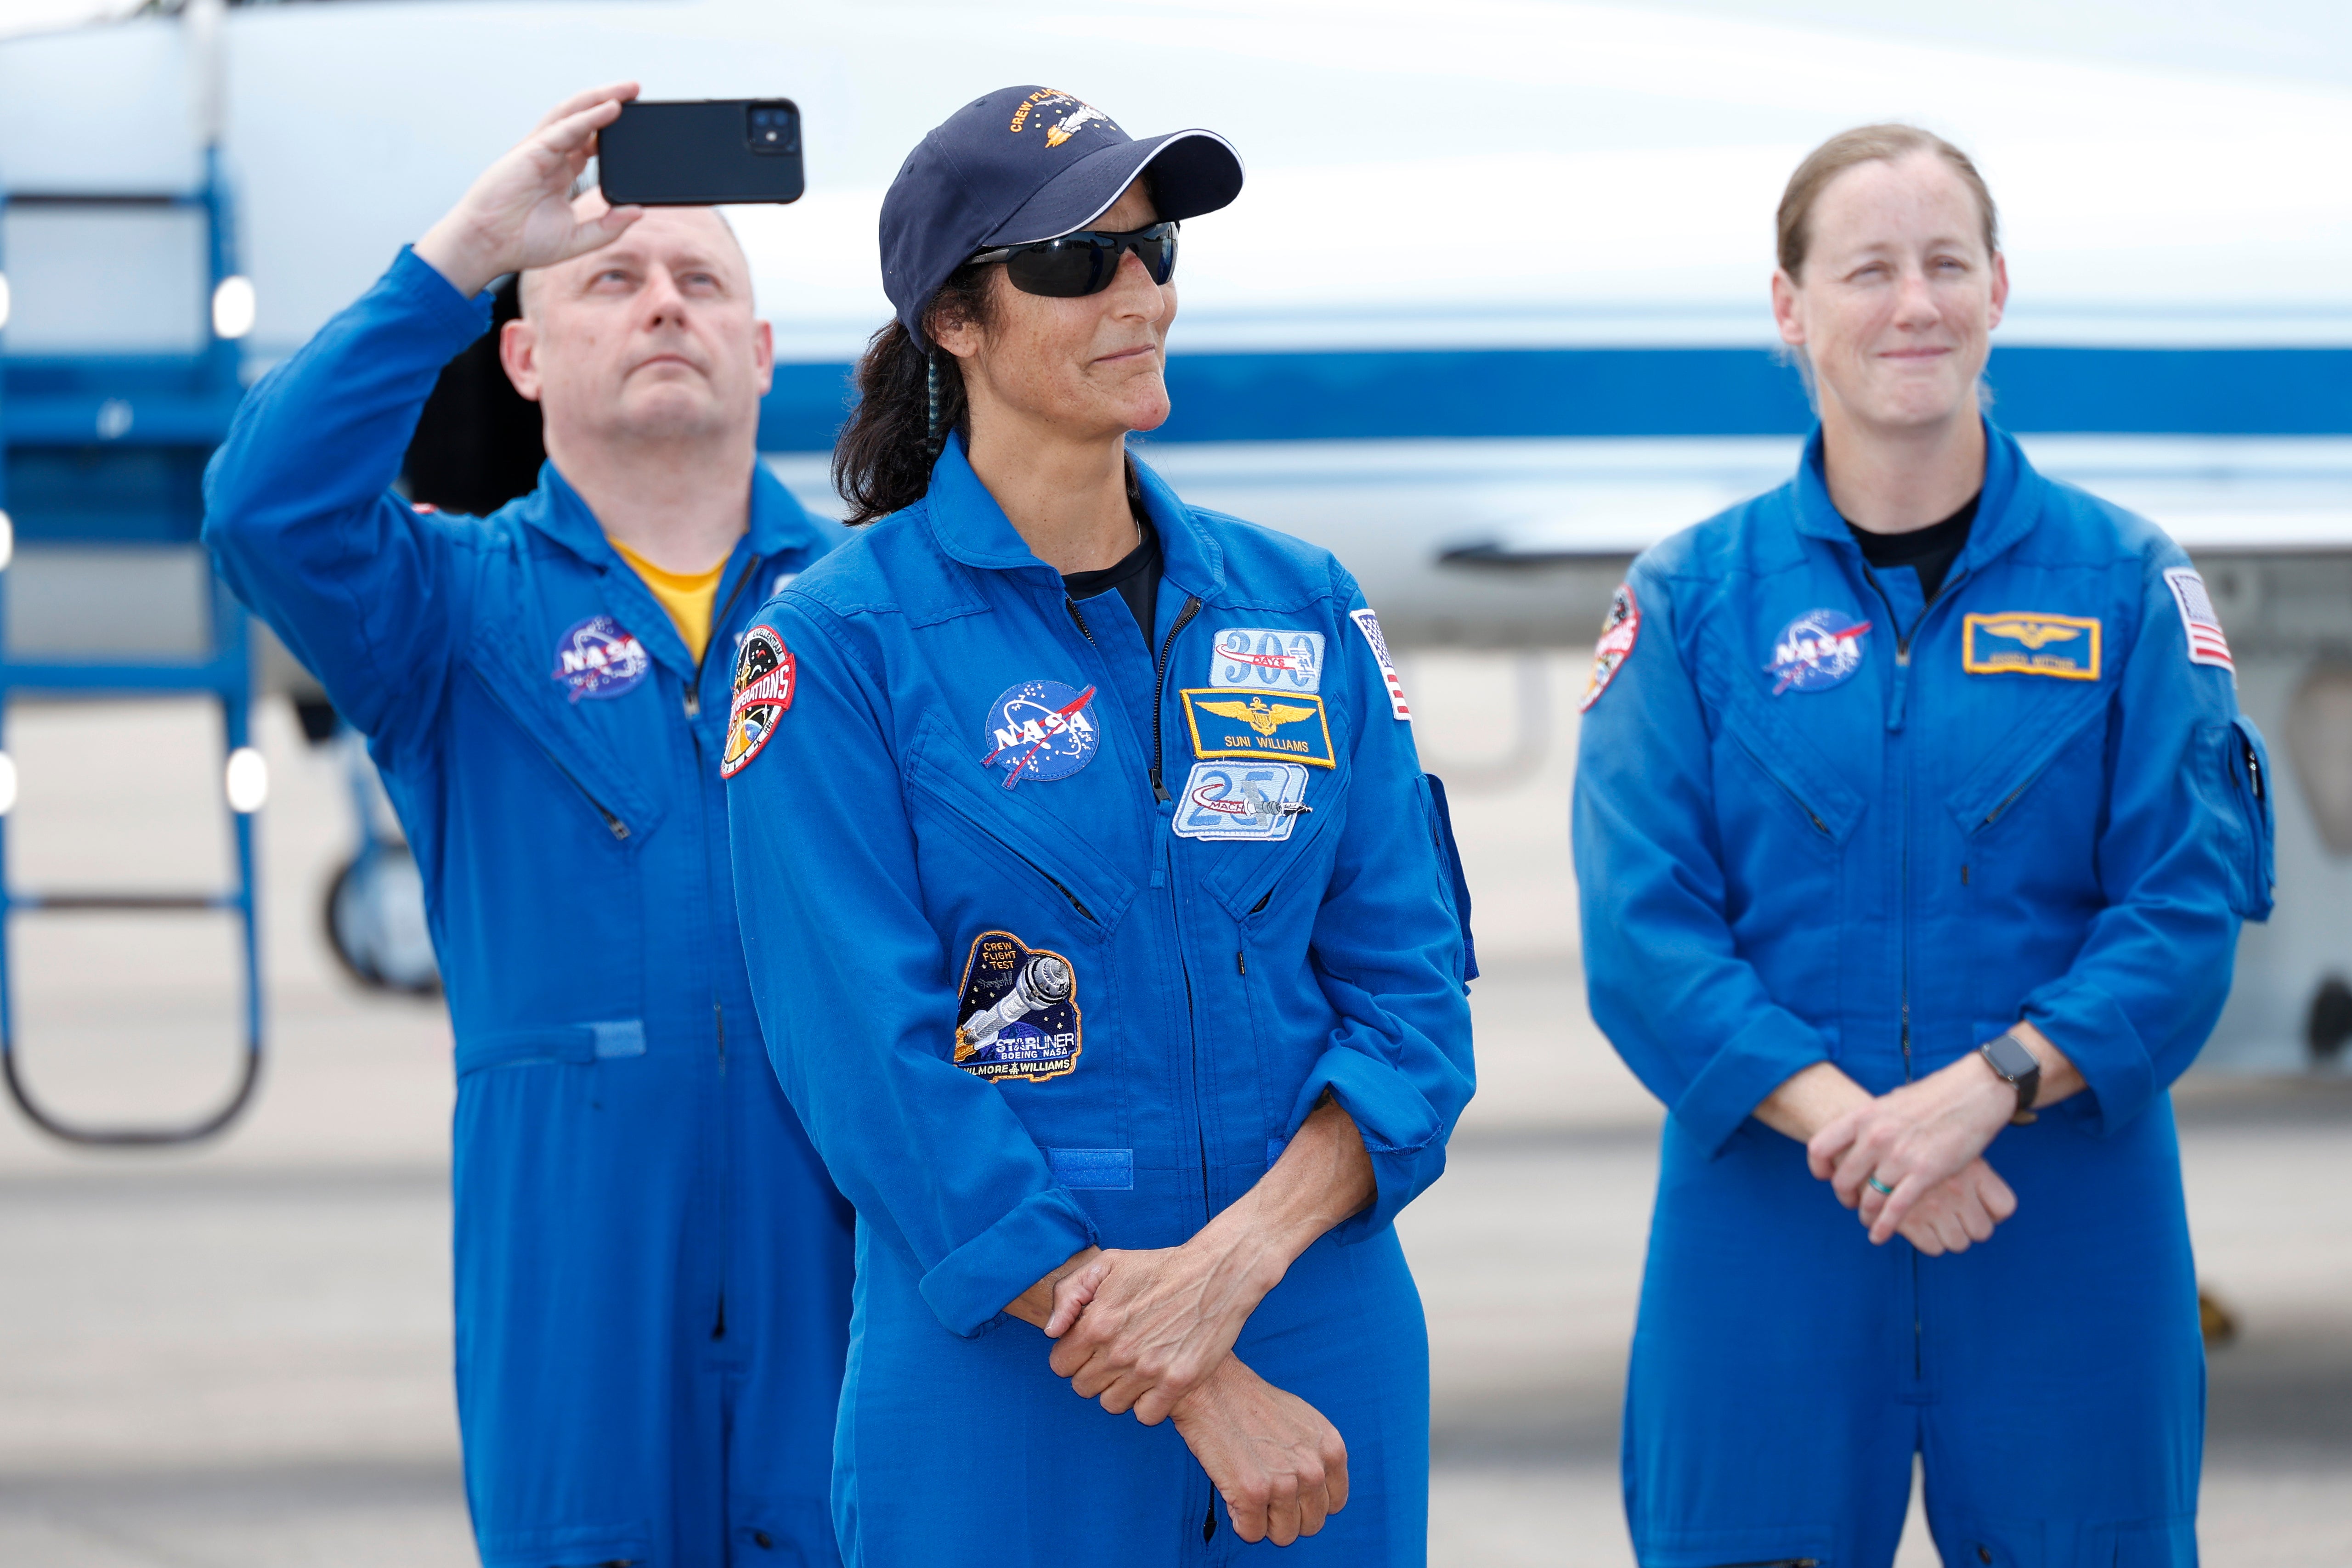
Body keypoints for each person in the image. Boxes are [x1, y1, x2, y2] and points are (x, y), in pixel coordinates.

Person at [722, 85, 1477, 1564]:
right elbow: (872, 1074)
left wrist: (1233, 1269)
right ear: (956, 319)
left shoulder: (1303, 606)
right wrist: (1192, 1378)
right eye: (1076, 261)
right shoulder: (835, 647)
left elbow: (1412, 998)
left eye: (1159, 249)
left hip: (1317, 1319)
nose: (1139, 294)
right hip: (1009, 1362)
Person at [1573, 122, 2276, 1568]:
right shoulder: (1693, 602)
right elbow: (1645, 932)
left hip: (2059, 1221)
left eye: (1948, 264)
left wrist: (1992, 1089)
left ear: (2000, 289)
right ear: (1790, 307)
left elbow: (2187, 904)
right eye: (1869, 269)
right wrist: (1870, 1132)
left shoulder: (2131, 587)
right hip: (1772, 1225)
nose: (1916, 305)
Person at [203, 84, 855, 1567]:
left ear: (759, 355)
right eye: (610, 278)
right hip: (573, 1251)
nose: (661, 305)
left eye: (702, 281)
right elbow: (263, 509)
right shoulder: (445, 611)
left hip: (838, 1231)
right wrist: (464, 248)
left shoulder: (867, 618)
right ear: (521, 354)